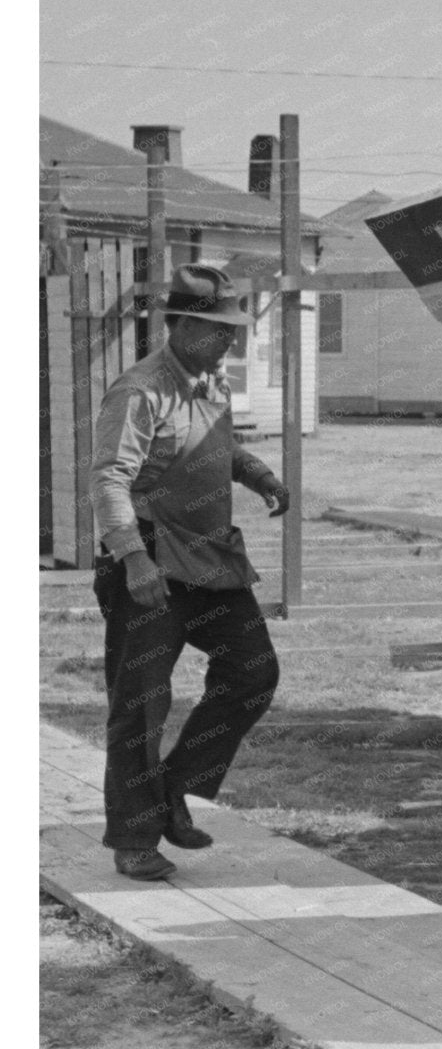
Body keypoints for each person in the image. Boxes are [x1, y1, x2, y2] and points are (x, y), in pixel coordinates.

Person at [89, 264, 289, 881]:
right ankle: (134, 838)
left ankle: (174, 787)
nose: (231, 339)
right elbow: (109, 478)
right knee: (142, 701)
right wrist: (133, 558)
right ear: (180, 325)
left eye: (233, 329)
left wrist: (258, 476)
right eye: (218, 329)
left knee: (254, 670)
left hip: (206, 554)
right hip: (146, 556)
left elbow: (215, 447)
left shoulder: (212, 383)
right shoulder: (140, 390)